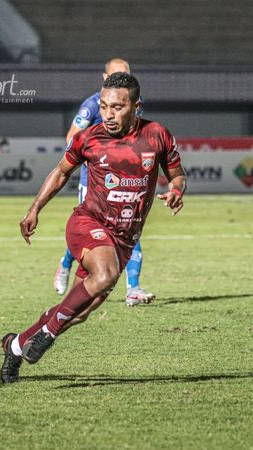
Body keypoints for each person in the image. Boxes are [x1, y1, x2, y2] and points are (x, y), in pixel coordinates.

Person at [0, 72, 185, 383]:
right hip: (88, 223)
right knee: (105, 274)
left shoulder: (157, 135)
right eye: (103, 106)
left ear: (135, 106)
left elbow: (177, 175)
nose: (108, 114)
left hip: (124, 238)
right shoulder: (89, 139)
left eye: (116, 107)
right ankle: (49, 333)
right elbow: (59, 174)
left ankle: (16, 345)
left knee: (81, 311)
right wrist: (34, 209)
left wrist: (178, 189)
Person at [53, 58, 155, 307]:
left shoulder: (134, 104)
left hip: (126, 181)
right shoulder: (91, 105)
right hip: (95, 183)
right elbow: (71, 138)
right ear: (104, 77)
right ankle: (66, 263)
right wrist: (93, 161)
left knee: (130, 227)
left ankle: (133, 289)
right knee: (89, 232)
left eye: (126, 74)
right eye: (116, 74)